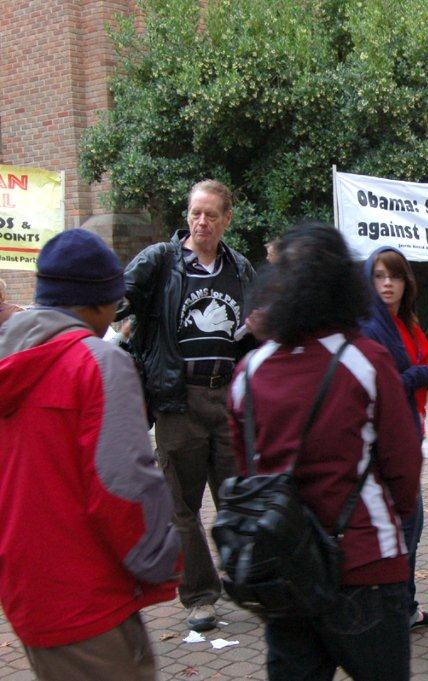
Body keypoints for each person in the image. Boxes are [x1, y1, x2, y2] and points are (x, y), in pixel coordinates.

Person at [228, 224, 422, 681]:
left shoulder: (248, 372)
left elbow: (246, 467)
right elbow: (403, 463)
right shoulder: (365, 361)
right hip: (366, 563)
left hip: (283, 567)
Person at [0, 229, 180, 681]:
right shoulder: (98, 363)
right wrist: (164, 559)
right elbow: (124, 487)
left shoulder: (12, 357)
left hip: (29, 595)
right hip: (89, 596)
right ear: (99, 302)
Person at [118, 179, 256, 631]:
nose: (202, 222)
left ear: (226, 220)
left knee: (238, 496)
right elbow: (119, 301)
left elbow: (256, 331)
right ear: (187, 215)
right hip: (178, 399)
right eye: (196, 213)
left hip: (228, 396)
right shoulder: (161, 261)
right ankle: (199, 595)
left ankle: (250, 582)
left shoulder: (240, 268)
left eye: (211, 215)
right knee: (182, 503)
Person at [361, 247, 428, 629]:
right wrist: (426, 375)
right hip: (384, 440)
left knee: (407, 525)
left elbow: (410, 371)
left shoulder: (402, 321)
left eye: (395, 276)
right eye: (380, 276)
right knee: (406, 524)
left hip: (408, 430)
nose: (387, 284)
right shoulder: (370, 325)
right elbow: (384, 385)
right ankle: (394, 609)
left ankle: (402, 605)